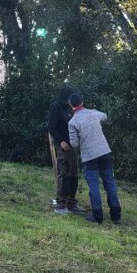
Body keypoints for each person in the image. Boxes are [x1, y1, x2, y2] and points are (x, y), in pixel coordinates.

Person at [67, 91, 122, 225]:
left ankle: (97, 216)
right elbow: (105, 116)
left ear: (70, 105)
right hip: (104, 152)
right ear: (82, 102)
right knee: (109, 183)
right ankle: (116, 215)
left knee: (94, 185)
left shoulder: (72, 122)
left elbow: (74, 144)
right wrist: (94, 111)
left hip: (89, 156)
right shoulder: (93, 114)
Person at [47, 84, 81, 214]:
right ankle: (61, 204)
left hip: (72, 145)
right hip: (64, 145)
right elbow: (51, 125)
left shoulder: (67, 109)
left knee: (73, 174)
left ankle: (71, 202)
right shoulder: (56, 107)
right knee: (64, 172)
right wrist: (60, 141)